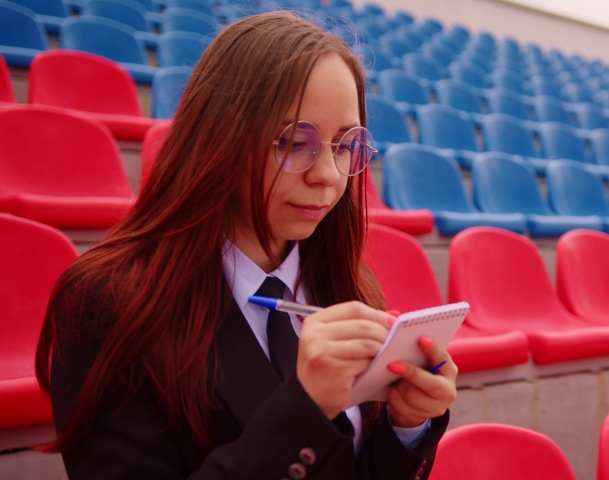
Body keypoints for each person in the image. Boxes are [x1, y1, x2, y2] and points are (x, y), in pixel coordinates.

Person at [35, 11, 457, 479]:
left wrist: (408, 426)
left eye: (344, 146)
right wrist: (303, 411)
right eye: (295, 142)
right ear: (220, 139)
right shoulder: (108, 303)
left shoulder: (348, 285)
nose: (328, 176)